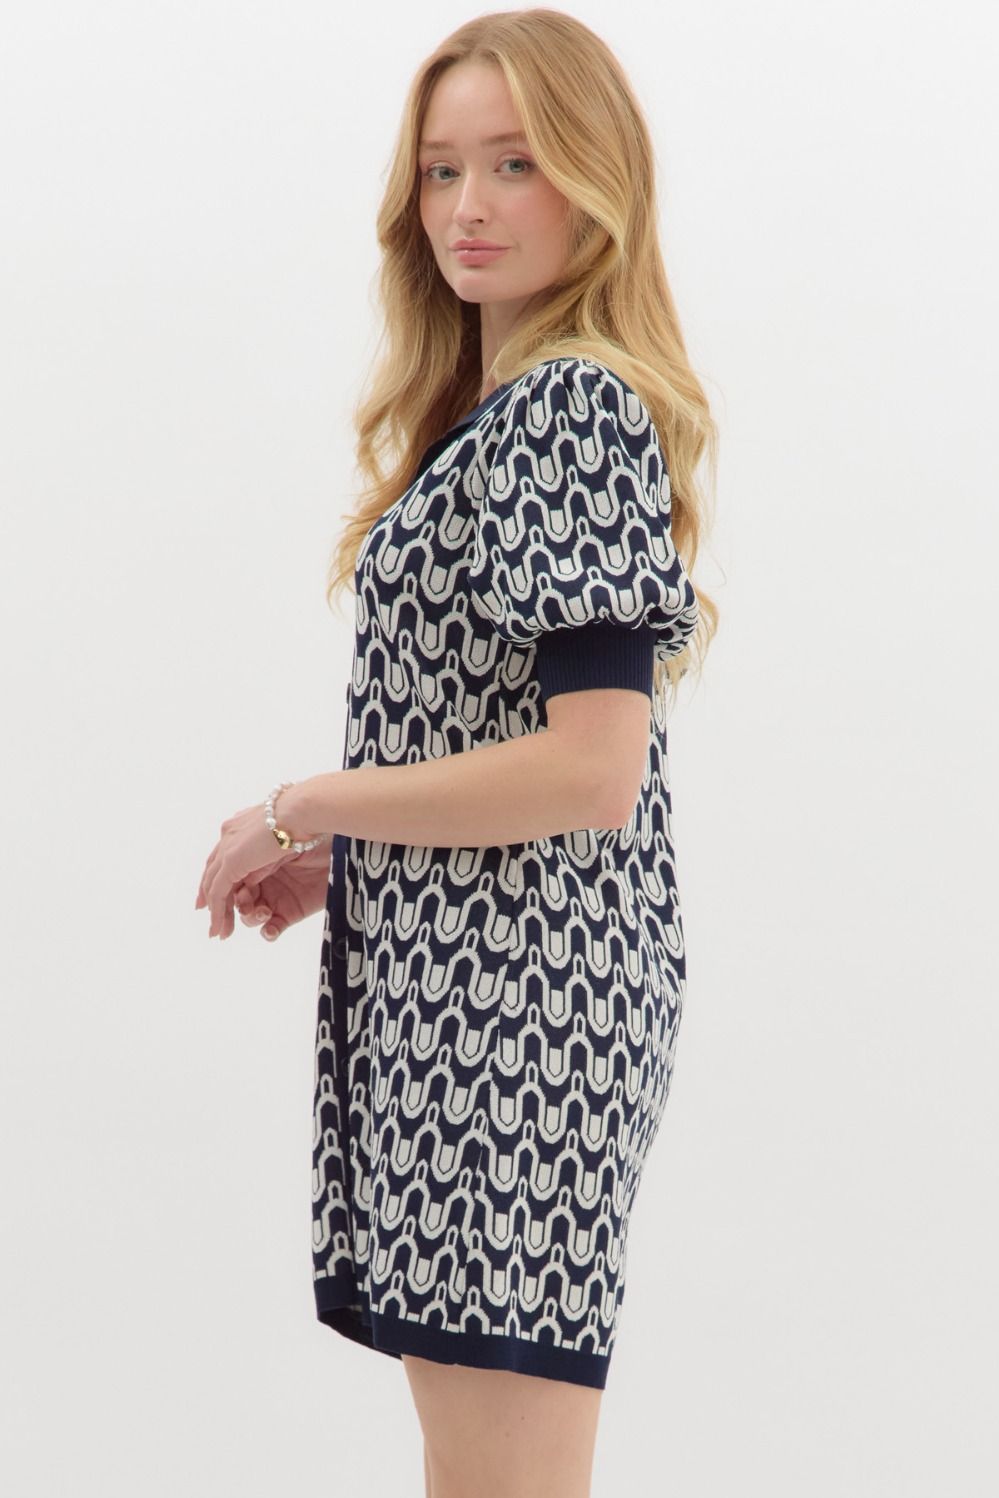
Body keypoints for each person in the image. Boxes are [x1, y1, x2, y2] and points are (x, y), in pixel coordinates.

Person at [196, 10, 717, 1496]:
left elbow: (592, 768)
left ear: (596, 182)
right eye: (440, 169)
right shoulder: (497, 413)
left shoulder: (571, 409)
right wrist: (365, 850)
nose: (468, 206)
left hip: (524, 1013)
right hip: (469, 988)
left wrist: (305, 804)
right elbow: (503, 737)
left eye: (515, 163)